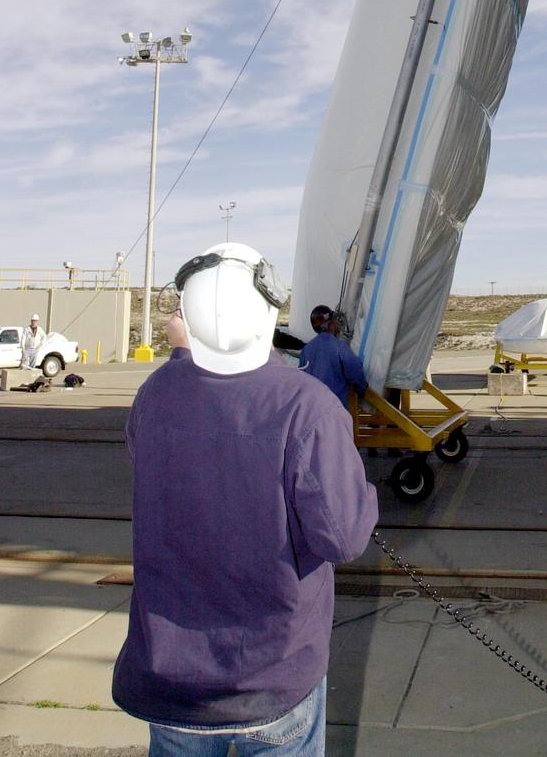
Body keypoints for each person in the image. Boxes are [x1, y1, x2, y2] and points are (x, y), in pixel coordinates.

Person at [112, 242, 378, 756]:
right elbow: (343, 538)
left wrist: (182, 355)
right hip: (271, 678)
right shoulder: (308, 408)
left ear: (186, 319)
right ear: (269, 310)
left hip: (171, 680)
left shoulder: (154, 394)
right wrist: (361, 493)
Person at [299, 306, 368, 409]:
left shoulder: (306, 350)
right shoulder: (339, 347)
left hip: (312, 410)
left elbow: (302, 380)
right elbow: (355, 372)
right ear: (330, 324)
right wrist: (362, 390)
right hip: (335, 410)